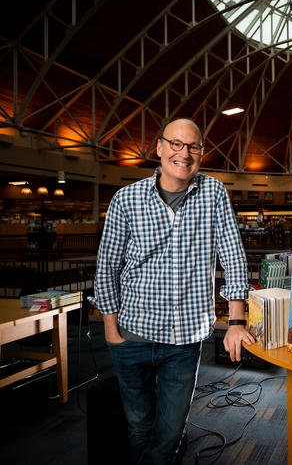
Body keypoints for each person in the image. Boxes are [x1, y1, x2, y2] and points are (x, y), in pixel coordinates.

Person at [95, 118, 254, 465]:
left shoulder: (213, 193)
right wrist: (110, 330)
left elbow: (232, 254)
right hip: (132, 336)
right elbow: (106, 266)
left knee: (169, 432)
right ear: (160, 148)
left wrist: (237, 320)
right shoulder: (127, 199)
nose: (184, 153)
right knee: (138, 426)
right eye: (176, 144)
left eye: (193, 146)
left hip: (184, 341)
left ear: (201, 153)